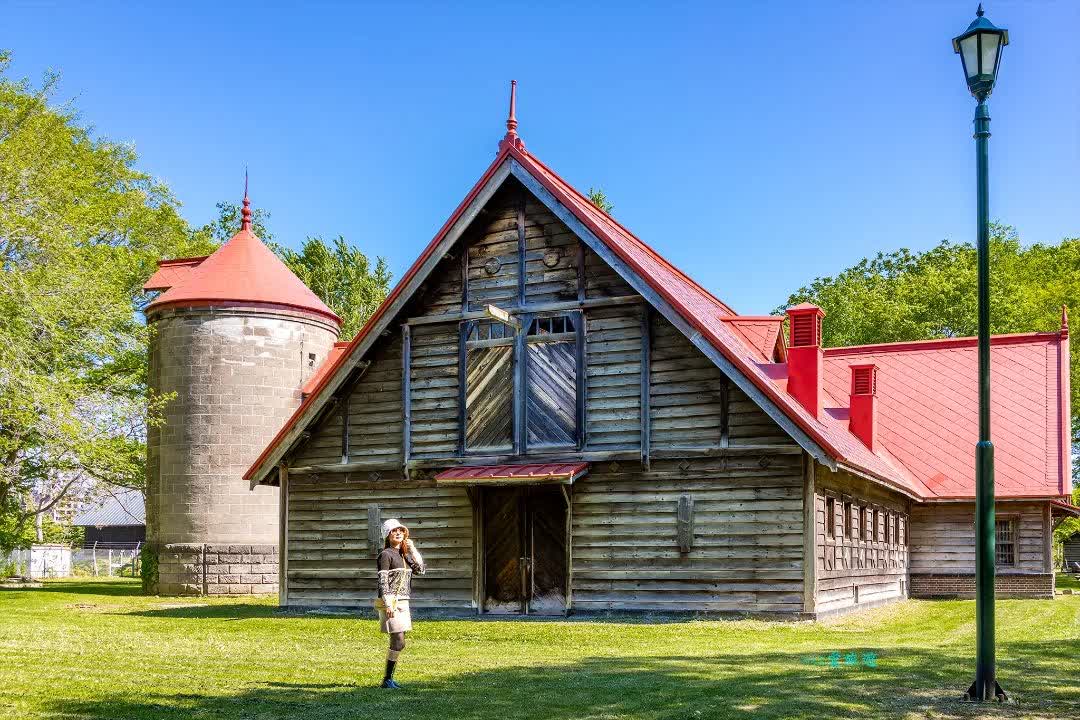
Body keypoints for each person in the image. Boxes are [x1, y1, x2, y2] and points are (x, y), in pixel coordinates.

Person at [375, 518, 425, 689]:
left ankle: (388, 679)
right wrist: (388, 604)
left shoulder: (404, 555)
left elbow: (421, 570)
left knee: (400, 642)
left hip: (404, 602)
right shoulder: (386, 555)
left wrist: (412, 549)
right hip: (392, 603)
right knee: (399, 640)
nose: (398, 533)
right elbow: (382, 582)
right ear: (387, 535)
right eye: (394, 531)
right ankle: (387, 679)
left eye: (401, 530)